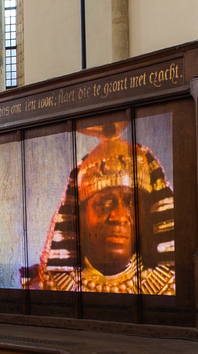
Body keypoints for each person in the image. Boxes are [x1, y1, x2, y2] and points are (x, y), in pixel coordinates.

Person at [21, 121, 175, 295]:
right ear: (81, 215)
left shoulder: (170, 285)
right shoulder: (46, 287)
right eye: (105, 203)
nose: (120, 217)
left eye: (131, 203)